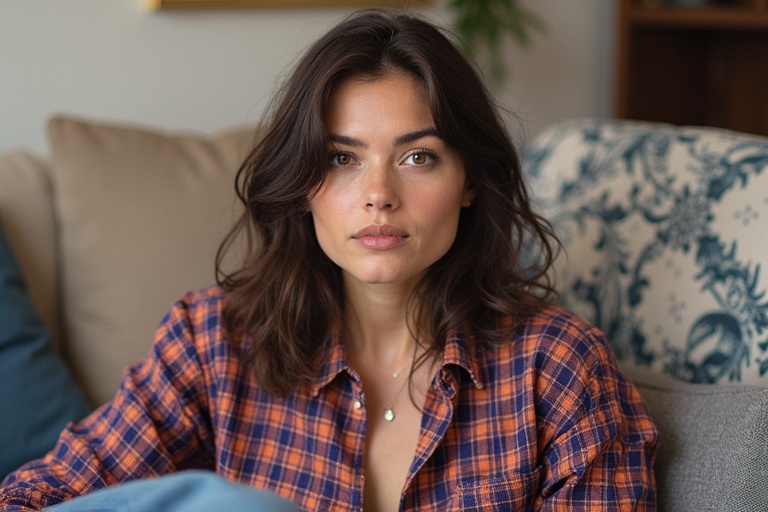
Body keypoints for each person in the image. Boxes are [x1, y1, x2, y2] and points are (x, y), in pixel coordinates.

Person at [0, 9, 658, 512]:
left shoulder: (559, 367)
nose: (379, 195)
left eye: (418, 157)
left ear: (469, 182)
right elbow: (36, 499)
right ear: (303, 183)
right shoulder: (212, 344)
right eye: (342, 158)